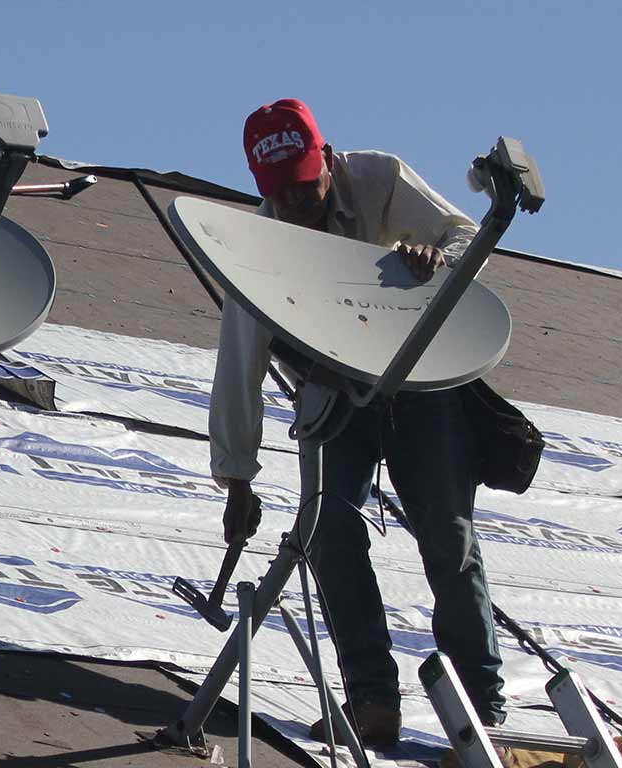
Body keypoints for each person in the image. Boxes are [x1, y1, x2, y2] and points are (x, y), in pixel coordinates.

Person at [208, 98, 506, 749]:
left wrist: (431, 264)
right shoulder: (262, 242)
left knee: (447, 536)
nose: (296, 203)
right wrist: (237, 477)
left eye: (304, 184)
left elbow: (464, 236)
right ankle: (372, 699)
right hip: (334, 396)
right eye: (278, 195)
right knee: (327, 529)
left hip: (417, 381)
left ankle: (479, 707)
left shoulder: (376, 178)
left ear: (328, 157)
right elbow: (239, 364)